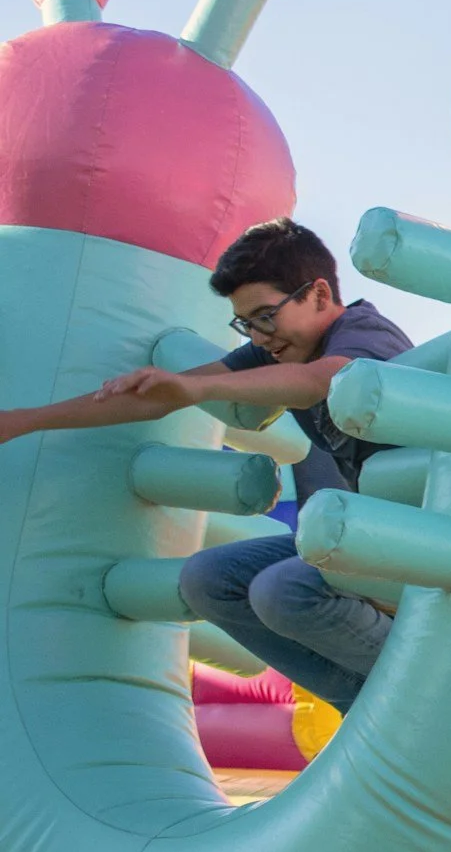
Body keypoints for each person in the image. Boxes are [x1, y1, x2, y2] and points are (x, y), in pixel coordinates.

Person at [0, 219, 411, 710]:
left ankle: (423, 691)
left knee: (286, 590)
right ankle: (365, 705)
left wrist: (199, 388)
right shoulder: (277, 352)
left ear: (319, 294)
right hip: (368, 537)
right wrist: (25, 420)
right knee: (210, 579)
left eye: (265, 316)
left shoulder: (363, 331)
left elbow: (329, 379)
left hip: (416, 538)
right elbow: (155, 400)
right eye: (246, 324)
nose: (259, 337)